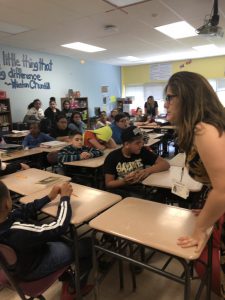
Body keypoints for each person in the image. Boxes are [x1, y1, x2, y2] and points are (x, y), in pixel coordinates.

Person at [163, 71, 225, 297]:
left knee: (204, 257)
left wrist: (200, 229)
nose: (165, 103)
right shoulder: (206, 126)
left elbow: (224, 189)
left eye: (170, 97)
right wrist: (212, 210)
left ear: (188, 97)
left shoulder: (204, 129)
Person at [0, 181, 92, 296]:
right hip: (31, 270)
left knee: (58, 239)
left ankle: (67, 277)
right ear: (7, 204)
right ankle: (73, 289)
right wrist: (64, 199)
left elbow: (22, 211)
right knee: (88, 245)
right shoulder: (17, 231)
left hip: (14, 267)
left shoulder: (5, 219)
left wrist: (49, 197)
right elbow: (59, 227)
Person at [104, 125, 170, 198]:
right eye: (138, 143)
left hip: (141, 189)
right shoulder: (113, 157)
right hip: (122, 192)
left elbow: (165, 164)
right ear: (127, 144)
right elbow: (109, 184)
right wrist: (124, 181)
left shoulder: (142, 151)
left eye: (142, 142)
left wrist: (148, 170)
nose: (141, 145)